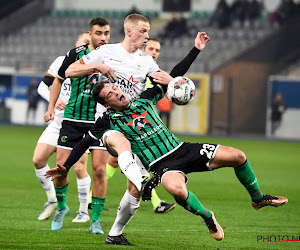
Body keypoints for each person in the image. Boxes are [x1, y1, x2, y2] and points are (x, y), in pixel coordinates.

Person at [46, 80, 288, 246]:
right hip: (162, 166)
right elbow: (83, 143)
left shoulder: (145, 99)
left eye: (114, 88)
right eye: (109, 94)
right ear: (107, 104)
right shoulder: (108, 121)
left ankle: (258, 198)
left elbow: (170, 80)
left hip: (184, 149)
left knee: (238, 156)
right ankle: (207, 216)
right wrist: (65, 167)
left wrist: (196, 49)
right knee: (176, 189)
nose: (116, 92)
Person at [58, 13, 210, 241]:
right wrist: (97, 64)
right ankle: (142, 179)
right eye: (143, 31)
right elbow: (69, 72)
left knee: (133, 191)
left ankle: (115, 232)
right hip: (107, 121)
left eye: (148, 32)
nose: (147, 36)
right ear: (129, 31)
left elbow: (170, 77)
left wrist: (195, 50)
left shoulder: (146, 61)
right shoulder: (106, 52)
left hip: (133, 124)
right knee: (121, 144)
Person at [43, 17, 111, 234]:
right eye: (98, 33)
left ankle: (96, 220)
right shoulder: (74, 55)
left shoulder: (114, 56)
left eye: (106, 33)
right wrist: (51, 107)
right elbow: (59, 79)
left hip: (101, 121)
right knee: (61, 168)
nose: (103, 37)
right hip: (72, 119)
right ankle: (61, 207)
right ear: (90, 35)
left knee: (99, 170)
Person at [102, 38, 176, 214]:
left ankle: (92, 199)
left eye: (157, 50)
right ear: (143, 47)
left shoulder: (152, 71)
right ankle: (154, 203)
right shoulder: (136, 67)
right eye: (151, 48)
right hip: (124, 121)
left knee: (121, 164)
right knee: (131, 163)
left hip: (137, 122)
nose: (154, 52)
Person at [33, 32, 92, 222]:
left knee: (79, 168)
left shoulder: (94, 64)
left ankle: (83, 210)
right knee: (38, 160)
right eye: (84, 43)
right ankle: (52, 200)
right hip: (58, 121)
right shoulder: (62, 61)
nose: (86, 47)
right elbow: (43, 87)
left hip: (79, 121)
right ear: (77, 44)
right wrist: (55, 101)